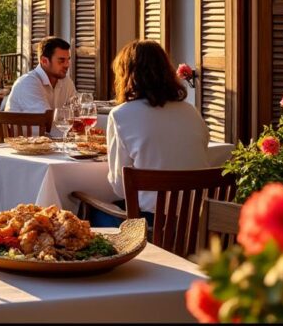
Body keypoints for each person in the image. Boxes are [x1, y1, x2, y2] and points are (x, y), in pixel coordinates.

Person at [90, 39, 210, 228]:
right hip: (195, 221)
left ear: (126, 75)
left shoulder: (121, 115)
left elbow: (120, 188)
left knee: (88, 210)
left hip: (152, 225)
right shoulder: (191, 111)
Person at [3, 36, 77, 113]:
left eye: (68, 60)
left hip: (53, 125)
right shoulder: (28, 83)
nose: (67, 65)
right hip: (33, 124)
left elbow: (77, 112)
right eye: (61, 61)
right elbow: (45, 120)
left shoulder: (66, 82)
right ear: (44, 61)